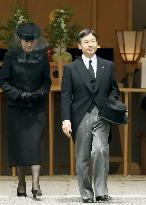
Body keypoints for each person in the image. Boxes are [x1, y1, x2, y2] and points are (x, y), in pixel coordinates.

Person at [61, 28, 120, 203]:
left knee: (101, 150)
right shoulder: (71, 68)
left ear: (97, 43)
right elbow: (65, 95)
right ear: (79, 46)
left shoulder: (107, 65)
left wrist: (113, 102)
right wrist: (66, 119)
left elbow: (114, 90)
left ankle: (101, 191)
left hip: (102, 115)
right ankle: (86, 193)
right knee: (83, 156)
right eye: (86, 42)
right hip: (80, 115)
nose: (90, 44)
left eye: (93, 40)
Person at [0, 23, 51, 198]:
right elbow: (3, 82)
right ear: (19, 40)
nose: (29, 44)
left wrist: (40, 93)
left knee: (36, 142)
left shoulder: (42, 57)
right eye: (26, 41)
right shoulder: (10, 56)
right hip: (17, 107)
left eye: (32, 41)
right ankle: (21, 182)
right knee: (19, 145)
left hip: (37, 106)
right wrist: (18, 94)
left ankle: (36, 184)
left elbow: (47, 82)